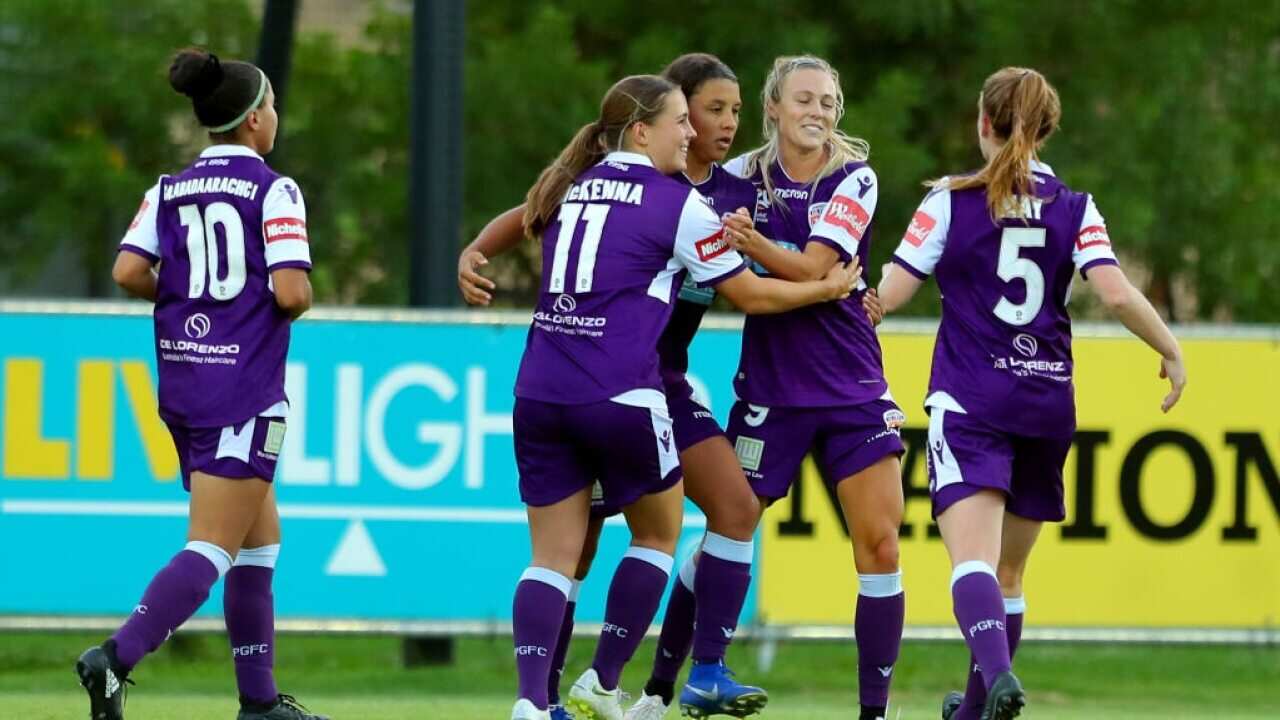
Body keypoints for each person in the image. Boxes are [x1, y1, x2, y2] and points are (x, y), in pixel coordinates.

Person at [505, 73, 860, 720]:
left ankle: (531, 704)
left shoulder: (571, 186)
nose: (693, 132)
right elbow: (749, 295)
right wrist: (826, 290)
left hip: (538, 391)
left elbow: (519, 220)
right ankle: (603, 683)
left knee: (552, 557)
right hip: (621, 392)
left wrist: (474, 249)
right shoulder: (675, 202)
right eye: (682, 121)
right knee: (658, 537)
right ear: (642, 131)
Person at [876, 66, 1187, 720]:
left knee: (972, 564)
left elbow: (890, 295)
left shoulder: (949, 201)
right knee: (1010, 576)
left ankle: (1000, 677)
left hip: (971, 400)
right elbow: (1115, 292)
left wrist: (821, 294)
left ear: (983, 123)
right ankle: (975, 710)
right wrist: (1169, 348)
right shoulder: (1076, 206)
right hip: (1046, 403)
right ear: (1046, 129)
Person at [76, 48, 324, 720]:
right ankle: (114, 659)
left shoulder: (169, 187)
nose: (275, 116)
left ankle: (260, 702)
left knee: (259, 539)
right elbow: (292, 292)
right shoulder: (276, 190)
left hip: (185, 382)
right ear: (252, 122)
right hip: (242, 388)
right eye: (270, 105)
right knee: (213, 545)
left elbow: (130, 272)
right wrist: (257, 302)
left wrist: (190, 302)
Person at [712, 55, 906, 720]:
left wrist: (752, 242)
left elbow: (815, 268)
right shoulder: (738, 178)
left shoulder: (855, 178)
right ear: (773, 108)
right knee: (727, 526)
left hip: (852, 385)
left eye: (828, 100)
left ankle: (873, 712)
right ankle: (673, 682)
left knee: (880, 543)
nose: (818, 111)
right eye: (804, 99)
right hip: (771, 388)